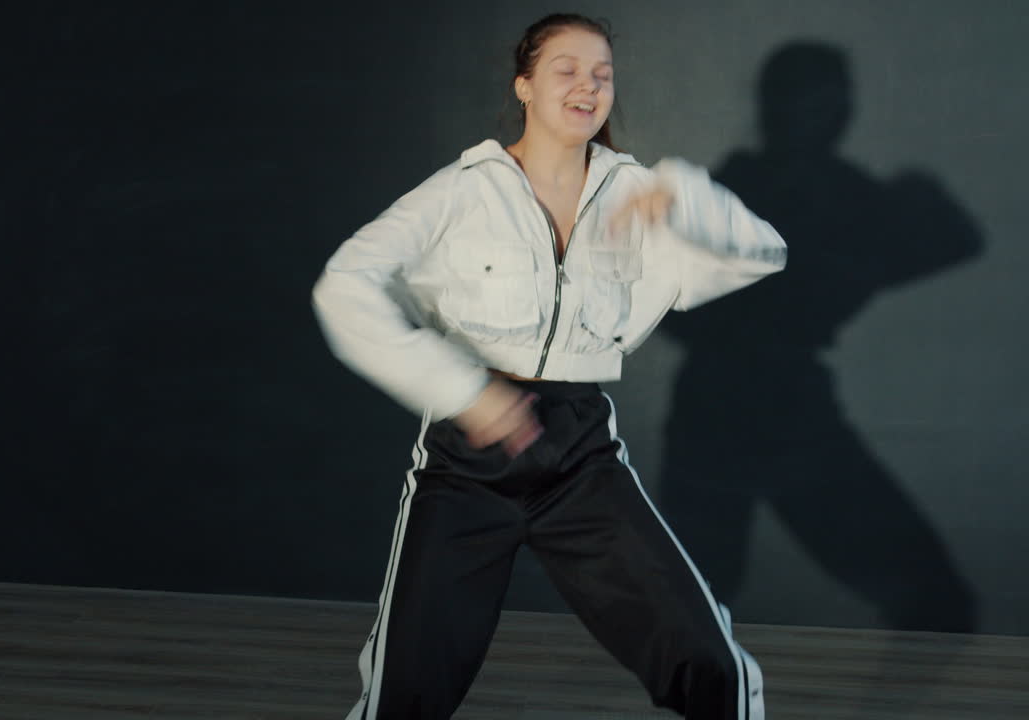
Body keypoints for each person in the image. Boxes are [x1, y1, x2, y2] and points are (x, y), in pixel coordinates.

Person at [312, 13, 786, 720]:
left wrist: (686, 197)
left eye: (602, 73)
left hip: (580, 456)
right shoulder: (462, 190)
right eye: (566, 69)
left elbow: (762, 252)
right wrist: (462, 391)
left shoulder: (638, 192)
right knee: (402, 696)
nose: (588, 86)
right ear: (525, 85)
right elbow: (343, 285)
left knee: (713, 664)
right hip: (465, 461)